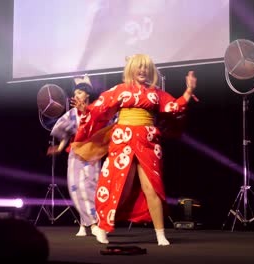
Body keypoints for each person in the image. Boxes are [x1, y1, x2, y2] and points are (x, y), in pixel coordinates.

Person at [72, 54, 197, 246]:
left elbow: (174, 107)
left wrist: (188, 91)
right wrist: (85, 110)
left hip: (148, 143)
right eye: (139, 67)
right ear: (131, 69)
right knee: (121, 187)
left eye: (146, 67)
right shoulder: (120, 90)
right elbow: (99, 108)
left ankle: (160, 234)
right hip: (123, 141)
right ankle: (103, 226)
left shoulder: (156, 93)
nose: (143, 70)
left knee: (152, 188)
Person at [47, 75, 101, 237]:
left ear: (87, 95)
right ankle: (85, 224)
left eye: (80, 92)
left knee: (91, 187)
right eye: (75, 92)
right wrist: (59, 148)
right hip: (76, 154)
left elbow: (101, 129)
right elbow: (66, 134)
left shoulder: (96, 111)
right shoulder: (71, 114)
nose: (76, 95)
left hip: (92, 153)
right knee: (75, 188)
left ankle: (93, 223)